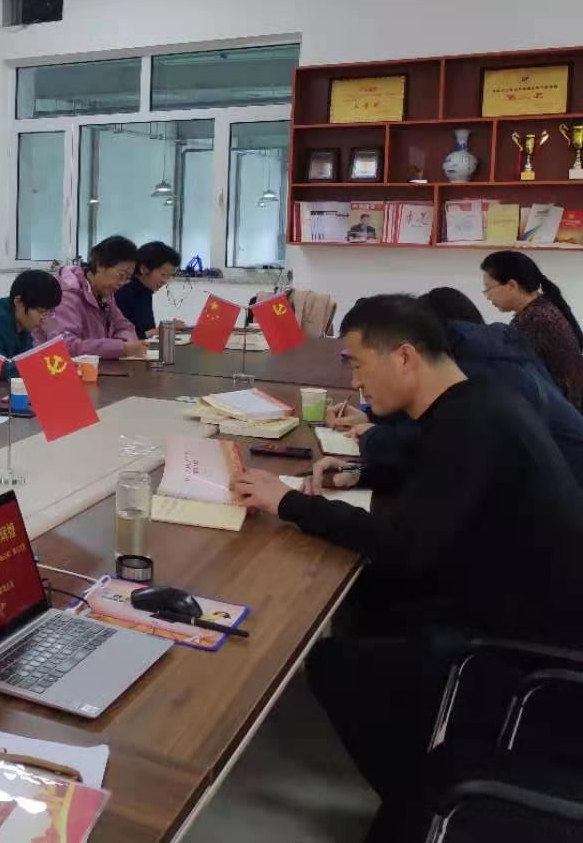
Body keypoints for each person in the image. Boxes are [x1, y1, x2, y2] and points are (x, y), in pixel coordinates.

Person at [231, 295, 583, 838]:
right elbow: (434, 474)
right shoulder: (477, 401)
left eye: (357, 364)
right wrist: (360, 475)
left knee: (335, 660)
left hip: (521, 643)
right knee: (366, 600)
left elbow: (405, 546)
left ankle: (426, 803)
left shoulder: (470, 423)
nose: (355, 382)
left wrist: (288, 503)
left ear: (403, 357)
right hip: (518, 604)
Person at [319, 286, 583, 489]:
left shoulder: (478, 378)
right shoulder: (493, 350)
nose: (355, 381)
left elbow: (420, 448)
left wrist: (371, 436)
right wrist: (371, 418)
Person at [481, 249, 583, 409]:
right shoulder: (543, 308)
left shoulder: (535, 320)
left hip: (562, 413)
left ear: (512, 285)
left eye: (488, 289)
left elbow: (514, 376)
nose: (488, 297)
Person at [41, 236, 148, 359]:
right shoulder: (66, 295)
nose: (122, 283)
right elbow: (65, 346)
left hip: (96, 367)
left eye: (127, 278)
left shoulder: (105, 294)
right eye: (121, 275)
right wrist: (119, 348)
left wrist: (123, 345)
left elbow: (125, 327)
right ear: (99, 265)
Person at [0, 270, 62, 379]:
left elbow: (24, 359)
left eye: (50, 312)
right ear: (18, 302)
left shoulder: (23, 321)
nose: (44, 319)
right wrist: (41, 365)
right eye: (40, 311)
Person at [112, 240, 181, 338]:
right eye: (163, 275)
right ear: (144, 269)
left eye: (169, 276)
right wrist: (153, 332)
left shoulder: (146, 291)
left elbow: (145, 329)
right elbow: (118, 338)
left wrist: (168, 328)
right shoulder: (124, 293)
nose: (165, 281)